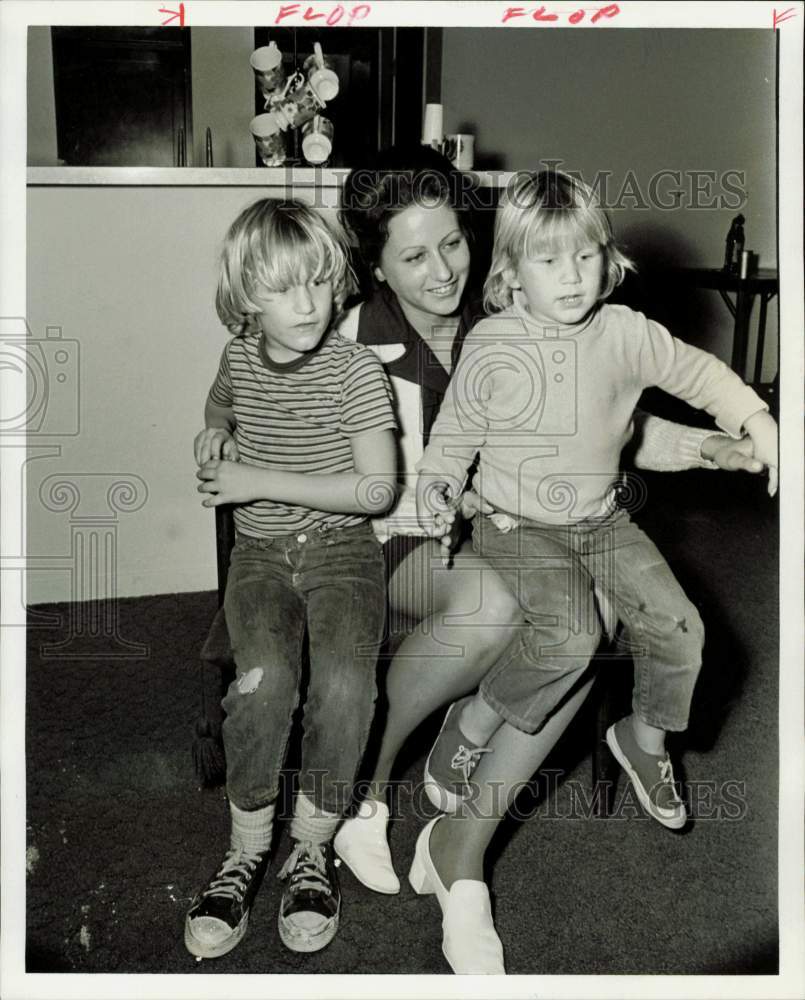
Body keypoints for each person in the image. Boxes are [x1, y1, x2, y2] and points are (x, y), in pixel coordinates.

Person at [329, 149, 768, 974]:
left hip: (522, 524)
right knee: (503, 609)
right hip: (396, 534)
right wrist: (426, 492)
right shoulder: (352, 340)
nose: (439, 272)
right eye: (413, 256)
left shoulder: (533, 305)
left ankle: (461, 850)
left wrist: (708, 446)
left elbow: (620, 433)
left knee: (590, 614)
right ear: (374, 264)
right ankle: (363, 783)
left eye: (452, 243)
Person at [184, 198, 397, 960]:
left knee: (345, 687)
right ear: (246, 299)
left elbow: (376, 491)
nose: (305, 303)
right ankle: (245, 848)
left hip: (343, 553)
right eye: (281, 288)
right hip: (262, 559)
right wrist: (213, 428)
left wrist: (253, 478)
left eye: (315, 282)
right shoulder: (238, 356)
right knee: (264, 682)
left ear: (336, 281)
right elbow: (221, 403)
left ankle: (311, 845)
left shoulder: (355, 371)